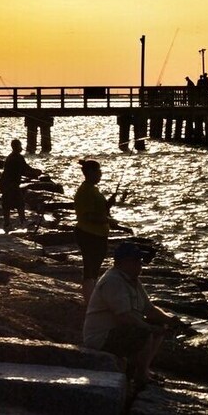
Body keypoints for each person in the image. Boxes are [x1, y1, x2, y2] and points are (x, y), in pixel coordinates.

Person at [83, 242, 184, 389]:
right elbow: (124, 316)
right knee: (145, 332)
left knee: (158, 325)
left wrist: (170, 319)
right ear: (124, 263)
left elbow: (149, 309)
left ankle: (144, 370)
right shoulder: (113, 281)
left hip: (118, 330)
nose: (140, 264)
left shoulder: (132, 279)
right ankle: (140, 376)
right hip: (101, 338)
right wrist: (149, 328)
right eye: (136, 261)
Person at [74, 159, 118, 303]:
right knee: (90, 269)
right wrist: (107, 221)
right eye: (98, 171)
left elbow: (99, 210)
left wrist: (109, 204)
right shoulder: (86, 191)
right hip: (89, 235)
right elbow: (88, 216)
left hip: (97, 234)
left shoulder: (93, 189)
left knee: (94, 269)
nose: (100, 174)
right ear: (91, 172)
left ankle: (92, 298)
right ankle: (90, 301)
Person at [0, 139, 39, 231]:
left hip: (6, 183)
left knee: (7, 204)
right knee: (19, 202)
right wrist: (35, 172)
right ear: (16, 147)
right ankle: (22, 221)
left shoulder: (11, 157)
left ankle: (7, 223)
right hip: (11, 184)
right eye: (20, 146)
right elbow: (25, 169)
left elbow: (23, 169)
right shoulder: (17, 158)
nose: (21, 148)